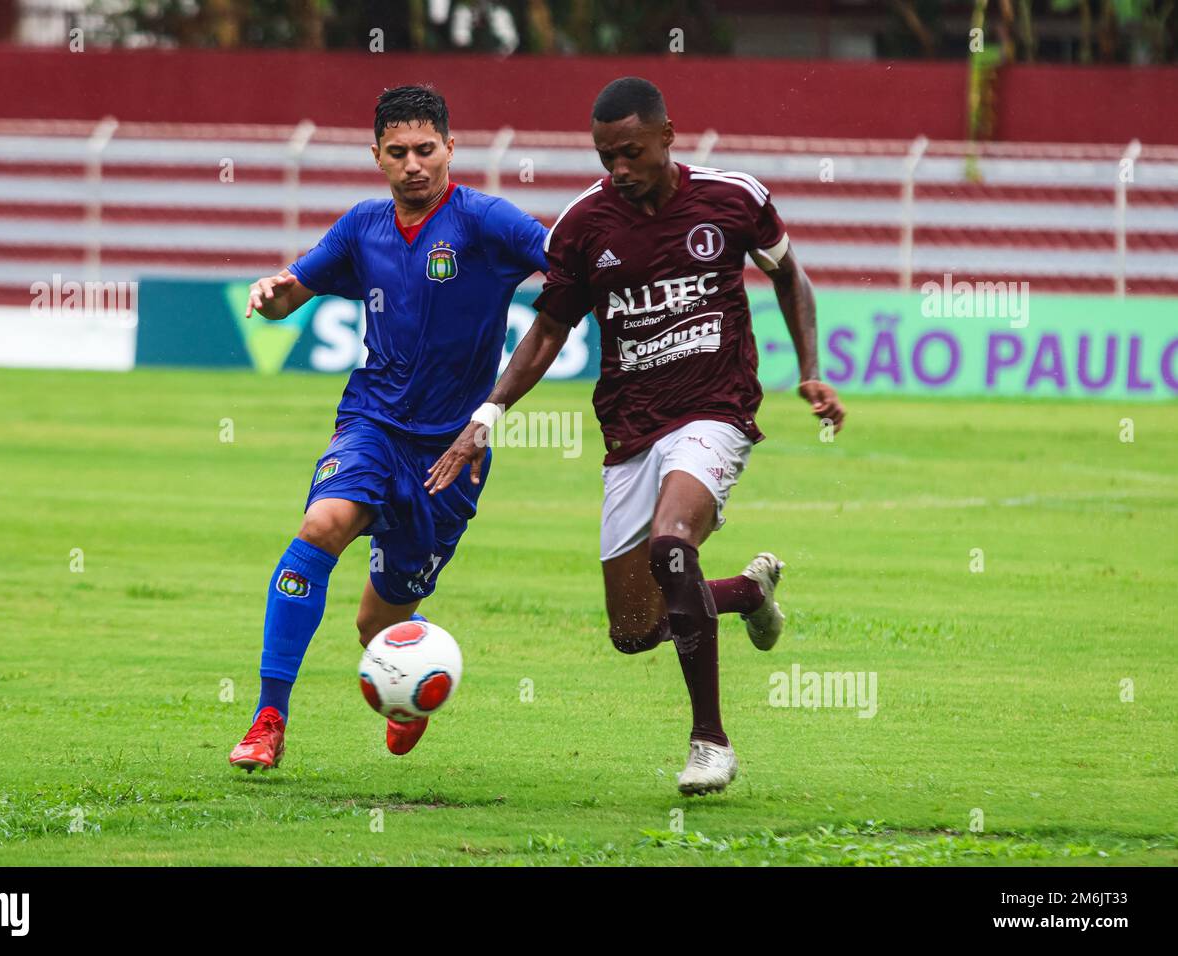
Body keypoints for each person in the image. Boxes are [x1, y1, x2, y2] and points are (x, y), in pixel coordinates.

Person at [426, 77, 846, 795]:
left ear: (666, 136)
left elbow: (790, 278)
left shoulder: (733, 197)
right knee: (634, 629)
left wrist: (811, 370)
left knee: (672, 542)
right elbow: (548, 332)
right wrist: (485, 418)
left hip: (717, 409)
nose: (617, 169)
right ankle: (746, 591)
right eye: (604, 156)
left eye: (629, 153)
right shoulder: (585, 227)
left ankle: (710, 742)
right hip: (630, 429)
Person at [229, 85, 548, 770]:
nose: (413, 165)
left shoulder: (487, 223)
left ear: (450, 149)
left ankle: (414, 690)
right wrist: (273, 291)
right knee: (319, 528)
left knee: (378, 623)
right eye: (397, 152)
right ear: (376, 155)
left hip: (451, 456)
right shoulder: (362, 228)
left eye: (426, 150)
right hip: (371, 423)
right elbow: (292, 293)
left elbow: (565, 264)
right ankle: (268, 719)